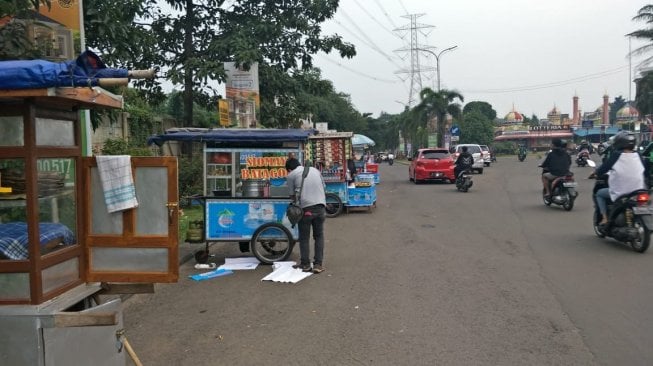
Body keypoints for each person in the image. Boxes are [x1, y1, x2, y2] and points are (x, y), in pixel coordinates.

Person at [592, 131, 646, 225]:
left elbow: (603, 168)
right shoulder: (638, 155)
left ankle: (604, 218)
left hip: (621, 192)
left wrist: (595, 173)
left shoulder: (616, 155)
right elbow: (644, 169)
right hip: (638, 190)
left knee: (599, 194)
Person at [285, 158, 327, 274]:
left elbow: (292, 196)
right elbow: (324, 187)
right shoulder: (315, 170)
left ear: (289, 169)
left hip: (306, 209)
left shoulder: (291, 175)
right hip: (320, 207)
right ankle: (318, 265)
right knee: (318, 236)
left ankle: (305, 264)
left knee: (304, 237)